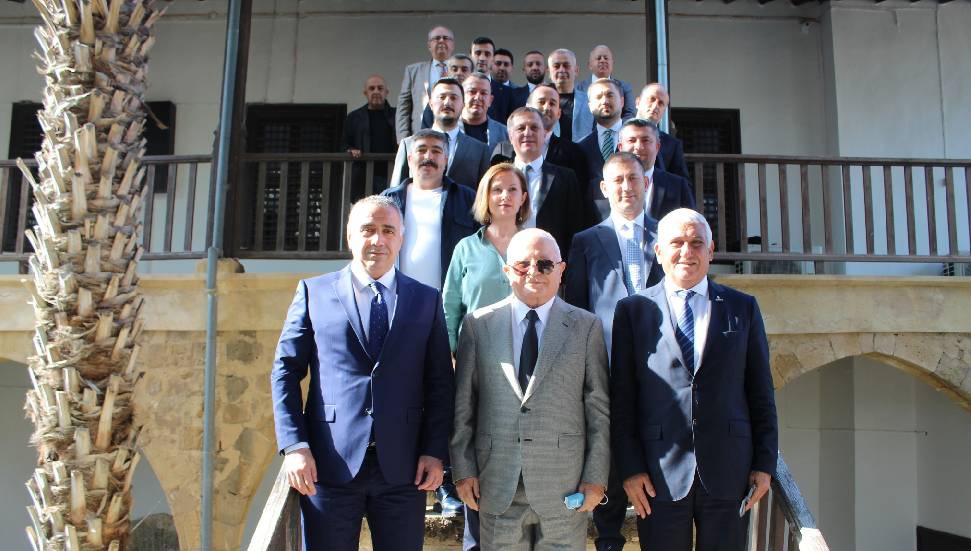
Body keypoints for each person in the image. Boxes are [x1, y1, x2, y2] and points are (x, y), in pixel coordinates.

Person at [271, 194, 455, 551]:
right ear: (350, 236)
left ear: (401, 238)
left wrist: (435, 451)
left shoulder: (426, 299)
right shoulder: (313, 292)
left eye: (388, 230)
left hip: (404, 469)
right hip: (329, 464)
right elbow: (285, 371)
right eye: (368, 229)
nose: (378, 240)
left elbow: (440, 382)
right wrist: (295, 445)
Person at [610, 208, 779, 551]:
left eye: (696, 243)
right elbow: (622, 400)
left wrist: (765, 464)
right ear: (659, 251)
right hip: (657, 475)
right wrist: (630, 469)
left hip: (729, 470)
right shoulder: (633, 310)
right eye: (677, 243)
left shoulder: (742, 307)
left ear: (710, 251)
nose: (687, 251)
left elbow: (761, 392)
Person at [450, 227, 610, 551]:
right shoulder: (477, 325)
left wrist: (596, 478)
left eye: (545, 264)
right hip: (497, 484)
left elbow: (598, 410)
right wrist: (463, 470)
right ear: (507, 270)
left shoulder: (586, 327)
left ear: (561, 270)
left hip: (564, 487)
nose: (534, 272)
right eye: (523, 264)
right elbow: (464, 405)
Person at [564, 152, 664, 551]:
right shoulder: (586, 241)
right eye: (617, 180)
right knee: (606, 444)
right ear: (604, 188)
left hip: (660, 367)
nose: (626, 187)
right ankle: (608, 536)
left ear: (646, 183)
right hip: (604, 365)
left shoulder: (667, 236)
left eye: (633, 179)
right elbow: (576, 309)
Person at [442, 163, 530, 551]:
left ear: (523, 197)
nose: (504, 196)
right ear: (485, 197)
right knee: (476, 442)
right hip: (476, 364)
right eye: (496, 189)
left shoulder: (535, 243)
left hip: (527, 365)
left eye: (512, 189)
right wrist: (450, 355)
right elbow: (450, 306)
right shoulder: (466, 248)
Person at [383, 129, 478, 291]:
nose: (428, 156)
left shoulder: (467, 199)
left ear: (446, 160)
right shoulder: (388, 200)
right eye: (421, 150)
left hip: (450, 298)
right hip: (398, 296)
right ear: (410, 158)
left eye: (436, 151)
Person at [507, 107, 588, 258]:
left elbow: (575, 229)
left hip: (550, 264)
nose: (528, 133)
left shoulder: (566, 178)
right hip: (507, 262)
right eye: (521, 128)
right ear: (511, 136)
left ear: (544, 135)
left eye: (534, 128)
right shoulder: (498, 177)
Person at [391, 78, 490, 190]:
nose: (447, 102)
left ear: (463, 104)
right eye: (442, 97)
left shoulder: (480, 150)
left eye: (453, 98)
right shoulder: (408, 144)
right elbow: (395, 192)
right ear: (431, 104)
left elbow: (484, 194)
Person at [610, 118, 696, 222]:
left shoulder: (678, 187)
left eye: (645, 140)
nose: (639, 147)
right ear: (620, 147)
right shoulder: (605, 186)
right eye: (631, 140)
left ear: (657, 147)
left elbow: (691, 224)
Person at [578, 78, 625, 224]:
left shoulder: (637, 142)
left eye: (610, 95)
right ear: (590, 106)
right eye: (598, 97)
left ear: (622, 101)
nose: (604, 101)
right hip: (594, 225)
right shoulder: (580, 148)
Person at [397, 25, 455, 140]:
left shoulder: (463, 70)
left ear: (452, 45)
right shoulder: (413, 71)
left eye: (445, 38)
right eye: (437, 38)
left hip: (453, 134)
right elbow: (403, 107)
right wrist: (402, 138)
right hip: (420, 134)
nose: (441, 41)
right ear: (429, 45)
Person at [342, 75, 396, 194]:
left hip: (392, 176)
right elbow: (344, 144)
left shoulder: (397, 116)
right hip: (363, 177)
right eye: (372, 88)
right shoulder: (354, 117)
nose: (376, 91)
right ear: (365, 93)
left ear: (386, 92)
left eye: (380, 88)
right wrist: (351, 149)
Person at [636, 83, 690, 180]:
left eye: (661, 103)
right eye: (651, 99)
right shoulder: (617, 134)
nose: (655, 106)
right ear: (638, 102)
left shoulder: (672, 144)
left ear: (664, 111)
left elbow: (683, 183)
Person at [576, 45, 636, 120]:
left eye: (606, 58)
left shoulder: (624, 88)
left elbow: (629, 114)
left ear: (612, 63)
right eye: (598, 58)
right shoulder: (579, 89)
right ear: (590, 65)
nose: (602, 60)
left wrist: (614, 126)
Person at [548, 48, 593, 143]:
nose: (561, 70)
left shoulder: (590, 102)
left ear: (576, 70)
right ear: (549, 71)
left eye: (566, 65)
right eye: (556, 66)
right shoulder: (539, 102)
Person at [420, 54, 475, 130]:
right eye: (454, 69)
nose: (459, 73)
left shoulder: (479, 101)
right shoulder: (436, 101)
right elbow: (425, 132)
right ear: (447, 72)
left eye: (464, 70)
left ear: (472, 74)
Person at [461, 72, 510, 152]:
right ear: (462, 96)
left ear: (490, 100)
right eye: (472, 92)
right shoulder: (449, 129)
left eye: (483, 93)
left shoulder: (504, 134)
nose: (478, 97)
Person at [470, 36, 513, 124]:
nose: (482, 58)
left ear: (493, 58)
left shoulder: (508, 94)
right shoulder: (459, 88)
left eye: (487, 54)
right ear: (470, 56)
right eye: (478, 53)